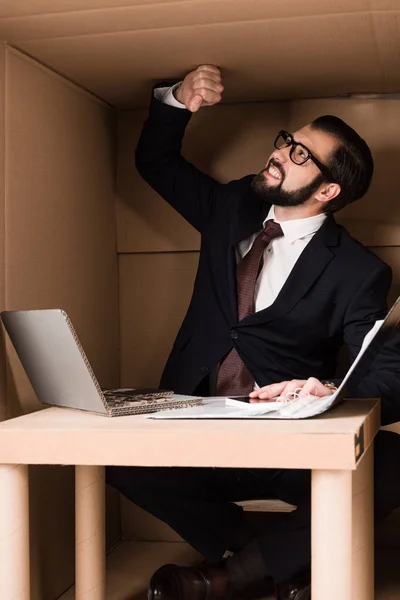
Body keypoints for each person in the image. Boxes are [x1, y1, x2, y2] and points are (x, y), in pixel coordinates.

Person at [106, 65, 400, 600]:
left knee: (395, 465)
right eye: (288, 141)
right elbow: (157, 162)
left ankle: (229, 578)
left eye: (299, 155)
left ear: (328, 189)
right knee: (114, 453)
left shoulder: (358, 271)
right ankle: (260, 556)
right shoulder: (230, 206)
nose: (280, 152)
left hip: (285, 444)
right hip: (191, 425)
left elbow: (381, 366)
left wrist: (331, 390)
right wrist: (177, 101)